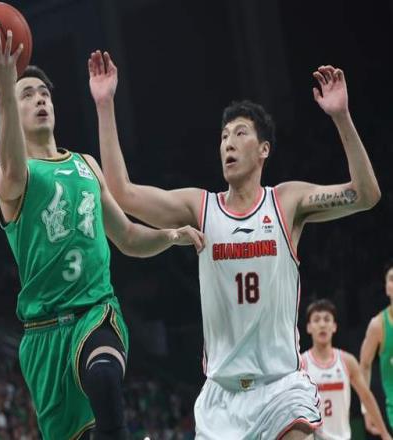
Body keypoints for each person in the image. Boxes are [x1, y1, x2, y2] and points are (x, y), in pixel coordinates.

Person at [88, 49, 381, 439]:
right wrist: (105, 105)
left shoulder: (286, 202)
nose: (228, 142)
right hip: (222, 397)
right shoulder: (200, 207)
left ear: (264, 150)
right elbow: (123, 193)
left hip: (281, 387)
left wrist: (341, 116)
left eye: (240, 133)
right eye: (224, 136)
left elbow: (365, 194)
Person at [0, 29, 204, 440]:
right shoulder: (7, 174)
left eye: (44, 93)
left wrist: (170, 235)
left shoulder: (86, 165)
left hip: (96, 312)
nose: (40, 100)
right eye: (28, 95)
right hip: (44, 333)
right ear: (11, 107)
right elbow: (12, 174)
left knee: (103, 377)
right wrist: (4, 90)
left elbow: (128, 236)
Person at [302, 299, 391, 439]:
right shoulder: (302, 364)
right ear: (308, 327)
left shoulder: (347, 361)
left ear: (334, 326)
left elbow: (366, 397)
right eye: (316, 320)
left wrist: (385, 434)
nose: (322, 324)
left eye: (327, 319)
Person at [360, 261, 393, 435]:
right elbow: (364, 366)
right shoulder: (378, 325)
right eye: (392, 279)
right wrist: (366, 409)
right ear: (387, 288)